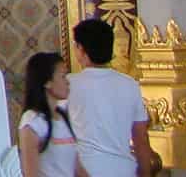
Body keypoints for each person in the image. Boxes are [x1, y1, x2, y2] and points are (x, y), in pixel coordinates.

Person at [66, 18, 155, 177]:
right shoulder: (130, 85)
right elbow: (141, 139)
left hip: (84, 170)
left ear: (81, 48)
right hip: (123, 170)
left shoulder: (68, 85)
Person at [18, 51, 85, 177]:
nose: (68, 81)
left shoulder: (64, 117)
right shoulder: (32, 121)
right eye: (63, 76)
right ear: (47, 82)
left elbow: (78, 169)